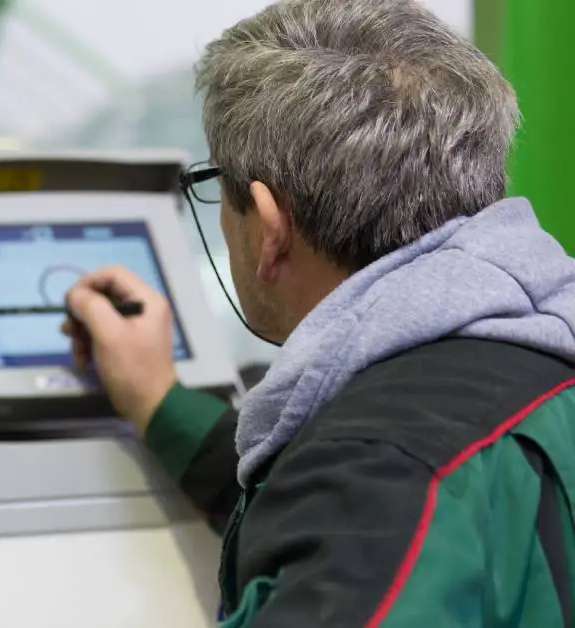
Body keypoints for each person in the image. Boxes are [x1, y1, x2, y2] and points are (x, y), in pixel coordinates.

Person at [64, 0, 575, 625]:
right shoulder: (538, 364)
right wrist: (157, 399)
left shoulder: (378, 467)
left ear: (270, 227)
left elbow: (361, 516)